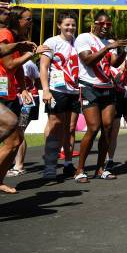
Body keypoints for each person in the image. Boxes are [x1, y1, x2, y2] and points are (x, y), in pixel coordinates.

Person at [0, 6, 46, 196]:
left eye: (31, 20)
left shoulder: (18, 39)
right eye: (27, 19)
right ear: (16, 20)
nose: (30, 23)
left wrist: (24, 88)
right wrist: (33, 53)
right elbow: (9, 64)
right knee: (7, 140)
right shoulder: (4, 33)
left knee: (16, 140)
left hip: (8, 93)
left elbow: (17, 70)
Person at [73, 11, 127, 183]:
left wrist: (126, 51)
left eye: (109, 25)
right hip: (89, 87)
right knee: (93, 127)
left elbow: (114, 63)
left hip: (107, 88)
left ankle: (100, 168)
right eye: (102, 24)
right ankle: (80, 170)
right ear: (94, 23)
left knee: (108, 128)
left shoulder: (108, 42)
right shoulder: (84, 38)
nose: (105, 27)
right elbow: (88, 60)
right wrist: (107, 48)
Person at [40, 12, 80, 179]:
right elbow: (44, 67)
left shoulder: (78, 43)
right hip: (57, 91)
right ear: (59, 25)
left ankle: (68, 164)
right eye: (67, 24)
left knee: (70, 129)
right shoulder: (52, 42)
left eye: (73, 25)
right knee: (55, 126)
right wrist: (46, 90)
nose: (70, 27)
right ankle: (50, 166)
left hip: (75, 91)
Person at [6, 58, 41, 177]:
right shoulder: (9, 61)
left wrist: (29, 90)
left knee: (20, 130)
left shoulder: (28, 64)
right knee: (14, 131)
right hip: (16, 100)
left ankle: (19, 166)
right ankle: (13, 162)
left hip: (28, 101)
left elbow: (37, 79)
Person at [106, 54, 127, 169]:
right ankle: (109, 160)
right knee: (114, 131)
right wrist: (121, 70)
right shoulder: (106, 60)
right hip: (114, 98)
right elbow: (113, 81)